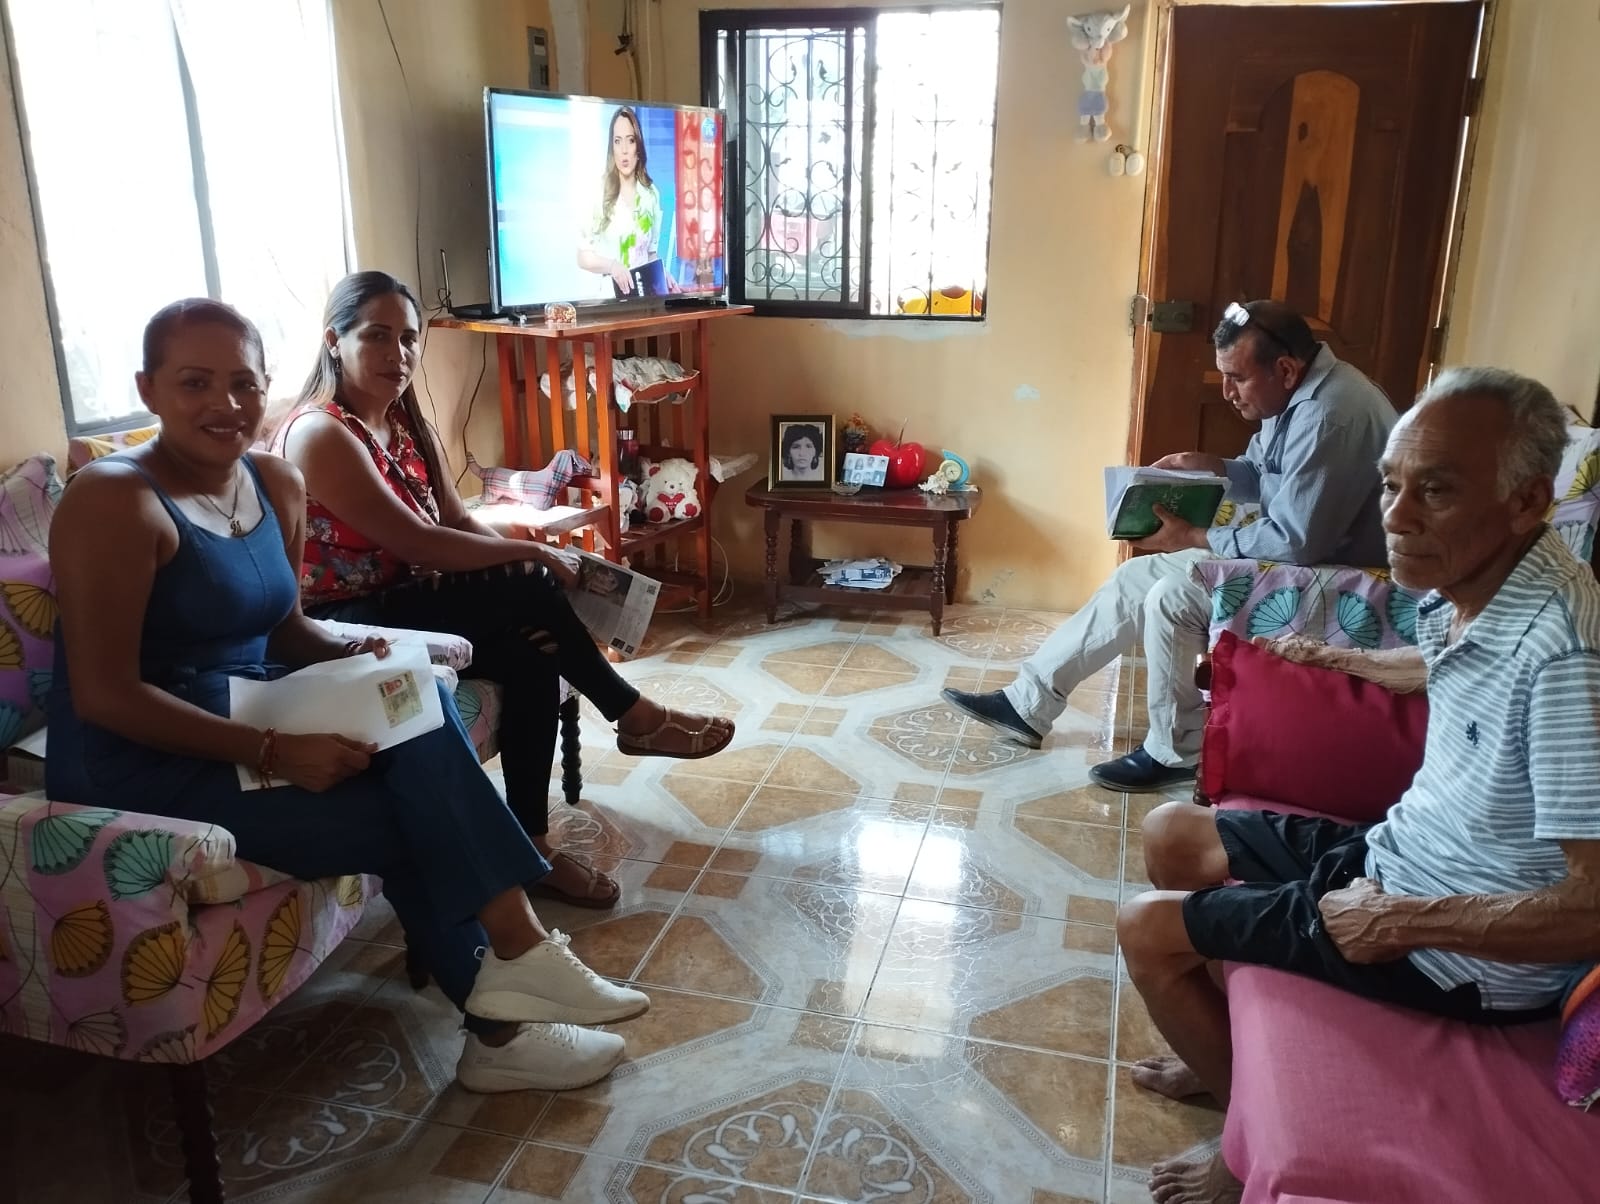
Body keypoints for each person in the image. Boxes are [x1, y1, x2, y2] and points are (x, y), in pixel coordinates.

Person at [47, 298, 654, 1094]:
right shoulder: (112, 499)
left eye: (243, 383)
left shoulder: (273, 481)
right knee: (414, 816)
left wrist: (361, 657)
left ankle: (516, 978)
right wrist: (273, 751)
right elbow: (104, 695)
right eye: (194, 383)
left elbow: (285, 630)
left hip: (252, 706)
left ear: (266, 385)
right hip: (146, 760)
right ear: (148, 389)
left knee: (410, 698)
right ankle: (505, 1017)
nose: (225, 404)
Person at [1117, 367, 1600, 1204]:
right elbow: (1451, 666)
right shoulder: (1483, 583)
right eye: (1391, 484)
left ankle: (1242, 1144)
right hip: (1400, 854)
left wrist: (1398, 920)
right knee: (1172, 833)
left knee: (1146, 931)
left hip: (1460, 949)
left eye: (1436, 491)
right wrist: (1346, 660)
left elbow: (1592, 905)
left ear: (1526, 500)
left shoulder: (1564, 657)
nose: (1396, 517)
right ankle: (1226, 1053)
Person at [274, 271, 734, 909]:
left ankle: (532, 850)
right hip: (346, 625)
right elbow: (419, 543)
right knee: (526, 577)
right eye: (376, 336)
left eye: (408, 338)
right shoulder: (320, 433)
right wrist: (533, 551)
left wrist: (525, 551)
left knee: (532, 650)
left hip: (410, 605)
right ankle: (632, 714)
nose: (397, 354)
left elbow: (457, 523)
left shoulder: (403, 420)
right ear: (334, 341)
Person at [943, 300, 1398, 791]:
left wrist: (1195, 537)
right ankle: (1027, 705)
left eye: (1237, 378)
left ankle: (1176, 753)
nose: (1226, 392)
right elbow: (1265, 474)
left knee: (1173, 597)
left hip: (1346, 579)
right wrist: (1214, 466)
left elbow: (1296, 542)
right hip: (1303, 557)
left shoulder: (1330, 415)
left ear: (1285, 369)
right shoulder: (1297, 392)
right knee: (1134, 577)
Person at [576, 105, 667, 298]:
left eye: (630, 140)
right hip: (610, 301)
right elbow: (583, 257)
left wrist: (663, 276)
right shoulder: (598, 193)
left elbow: (650, 254)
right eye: (618, 141)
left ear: (638, 146)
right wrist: (612, 266)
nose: (624, 150)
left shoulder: (651, 194)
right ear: (612, 147)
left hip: (644, 300)